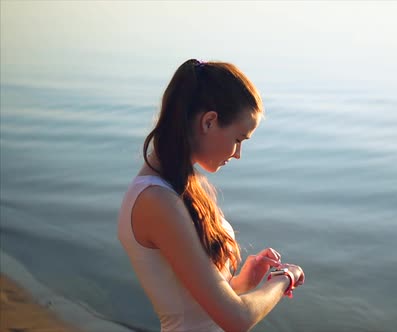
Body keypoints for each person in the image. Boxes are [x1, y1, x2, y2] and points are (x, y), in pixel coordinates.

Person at [117, 59, 305, 332]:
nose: (238, 154)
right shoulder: (156, 201)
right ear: (209, 121)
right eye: (238, 139)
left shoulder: (178, 187)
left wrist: (243, 283)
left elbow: (198, 305)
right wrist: (284, 277)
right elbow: (236, 319)